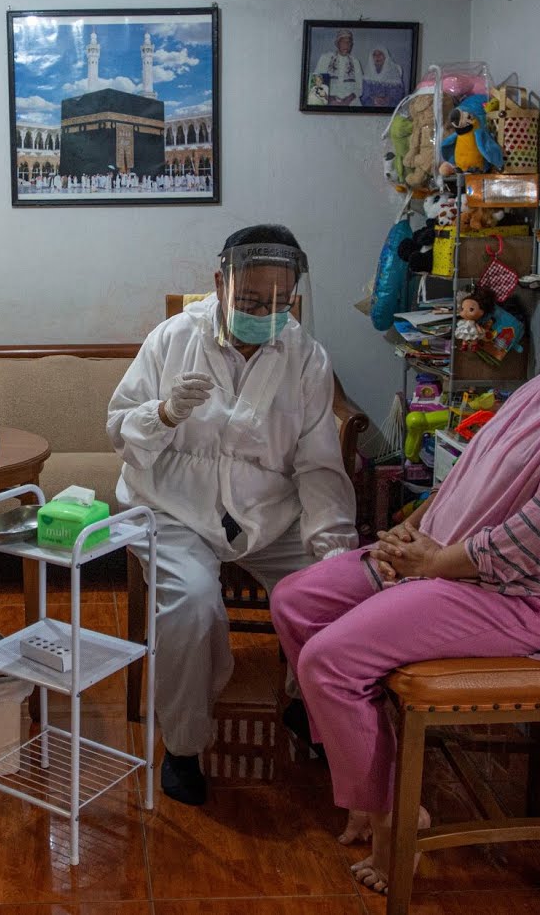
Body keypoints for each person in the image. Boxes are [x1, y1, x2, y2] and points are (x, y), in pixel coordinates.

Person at [269, 258, 540, 893]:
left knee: (330, 660)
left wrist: (434, 562)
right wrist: (417, 531)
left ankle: (392, 812)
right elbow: (472, 479)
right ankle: (365, 773)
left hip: (524, 599)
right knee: (296, 599)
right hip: (453, 559)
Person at [108, 224, 358, 806]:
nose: (264, 314)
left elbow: (319, 466)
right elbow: (119, 429)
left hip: (269, 515)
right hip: (175, 507)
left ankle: (306, 707)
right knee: (193, 605)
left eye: (279, 302)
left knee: (334, 591)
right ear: (219, 284)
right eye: (248, 301)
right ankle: (185, 746)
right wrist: (164, 415)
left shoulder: (306, 358)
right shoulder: (171, 340)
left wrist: (334, 550)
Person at [312, 30, 363, 107]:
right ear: (337, 43)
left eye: (348, 42)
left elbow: (360, 87)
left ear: (351, 45)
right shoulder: (326, 58)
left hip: (351, 102)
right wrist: (330, 98)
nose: (346, 45)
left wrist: (348, 99)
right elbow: (316, 84)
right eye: (343, 42)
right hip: (328, 99)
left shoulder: (355, 61)